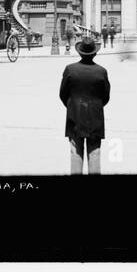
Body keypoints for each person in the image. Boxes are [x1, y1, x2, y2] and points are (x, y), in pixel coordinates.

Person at [59, 35, 111, 175]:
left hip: (74, 114)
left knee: (76, 152)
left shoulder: (70, 69)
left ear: (80, 52)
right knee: (94, 153)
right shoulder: (101, 71)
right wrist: (96, 105)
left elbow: (63, 94)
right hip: (95, 115)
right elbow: (105, 96)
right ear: (94, 53)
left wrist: (72, 105)